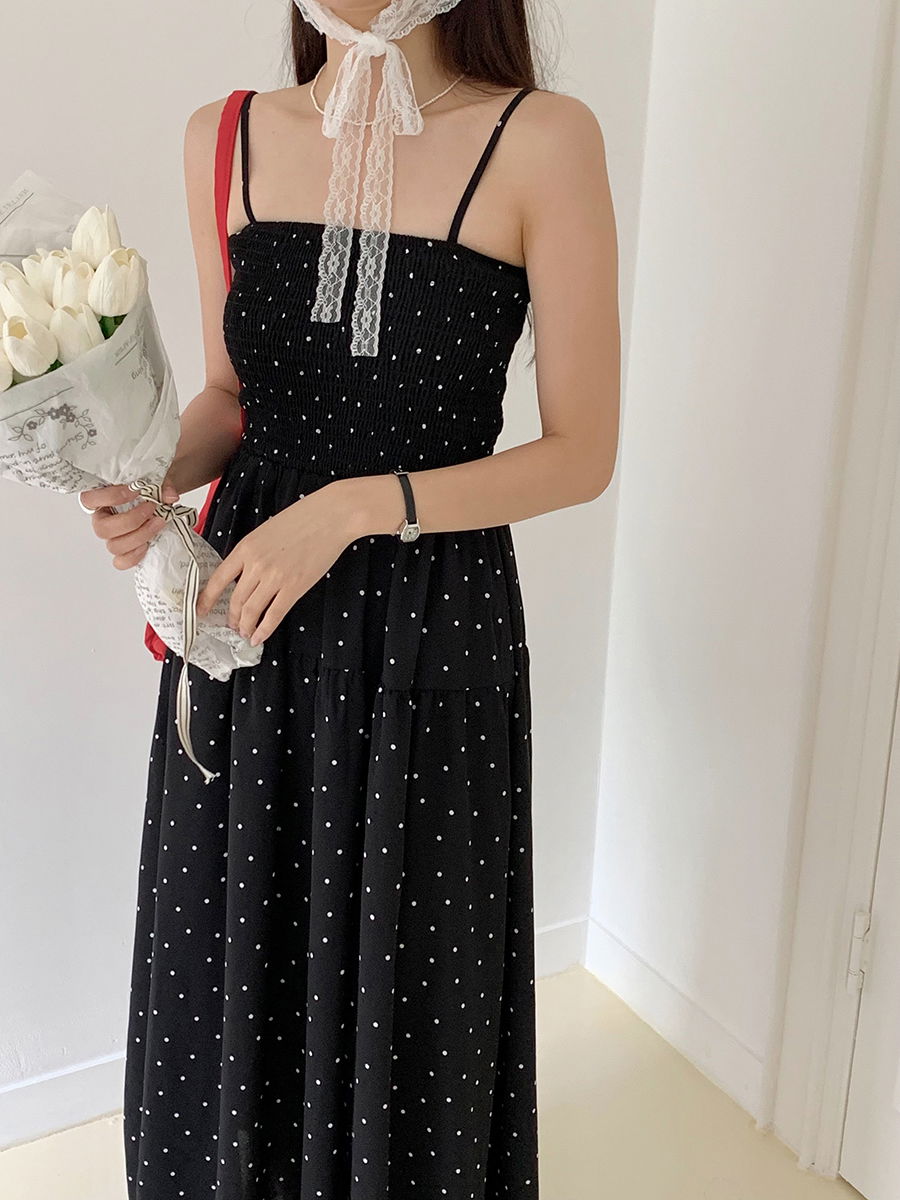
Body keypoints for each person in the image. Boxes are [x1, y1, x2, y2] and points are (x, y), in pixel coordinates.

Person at [79, 0, 619, 1194]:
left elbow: (582, 454)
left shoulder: (542, 139)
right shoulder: (225, 134)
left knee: (413, 988)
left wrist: (356, 508)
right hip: (247, 626)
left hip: (429, 630)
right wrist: (146, 476)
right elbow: (234, 397)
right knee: (232, 967)